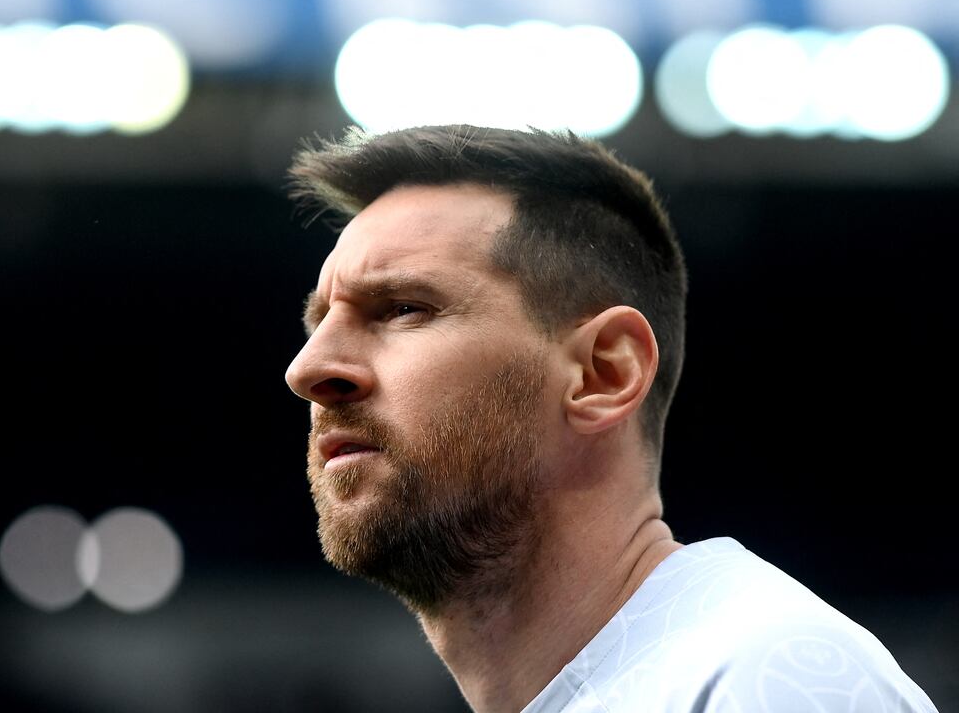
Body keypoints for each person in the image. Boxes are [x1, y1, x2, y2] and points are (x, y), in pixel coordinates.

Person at [282, 124, 937, 712]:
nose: (307, 369)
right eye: (319, 323)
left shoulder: (762, 679)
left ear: (604, 374)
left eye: (402, 308)